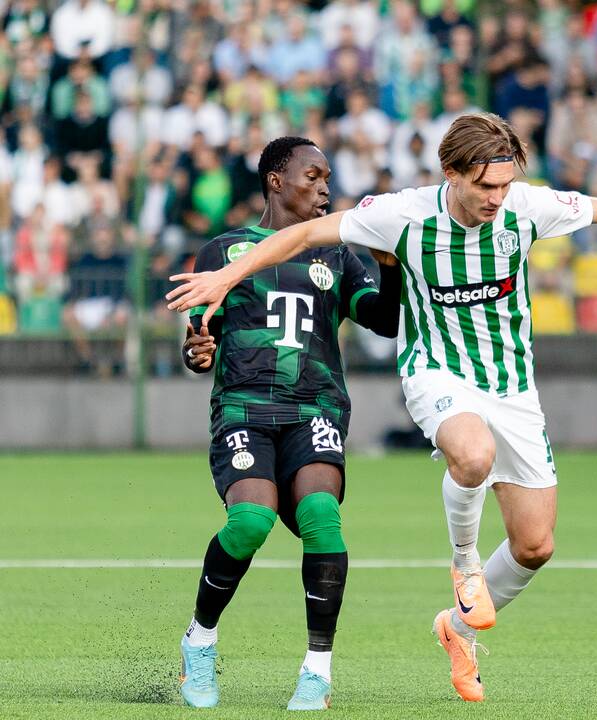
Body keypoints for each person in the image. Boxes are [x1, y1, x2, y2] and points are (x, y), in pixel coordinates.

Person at [166, 112, 597, 703]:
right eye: (486, 185)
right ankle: (463, 572)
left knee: (536, 546)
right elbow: (299, 236)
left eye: (506, 184)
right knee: (470, 455)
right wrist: (225, 278)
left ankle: (454, 630)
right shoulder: (402, 212)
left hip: (512, 389)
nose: (497, 197)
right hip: (434, 373)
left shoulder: (525, 208)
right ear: (452, 173)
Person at [174, 136, 401, 711]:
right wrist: (197, 352)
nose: (325, 187)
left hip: (315, 408)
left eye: (328, 176)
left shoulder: (338, 253)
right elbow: (201, 339)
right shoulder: (224, 251)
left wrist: (389, 268)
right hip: (244, 407)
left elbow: (384, 319)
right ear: (276, 180)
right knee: (250, 520)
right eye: (313, 175)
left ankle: (317, 671)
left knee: (321, 515)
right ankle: (200, 643)